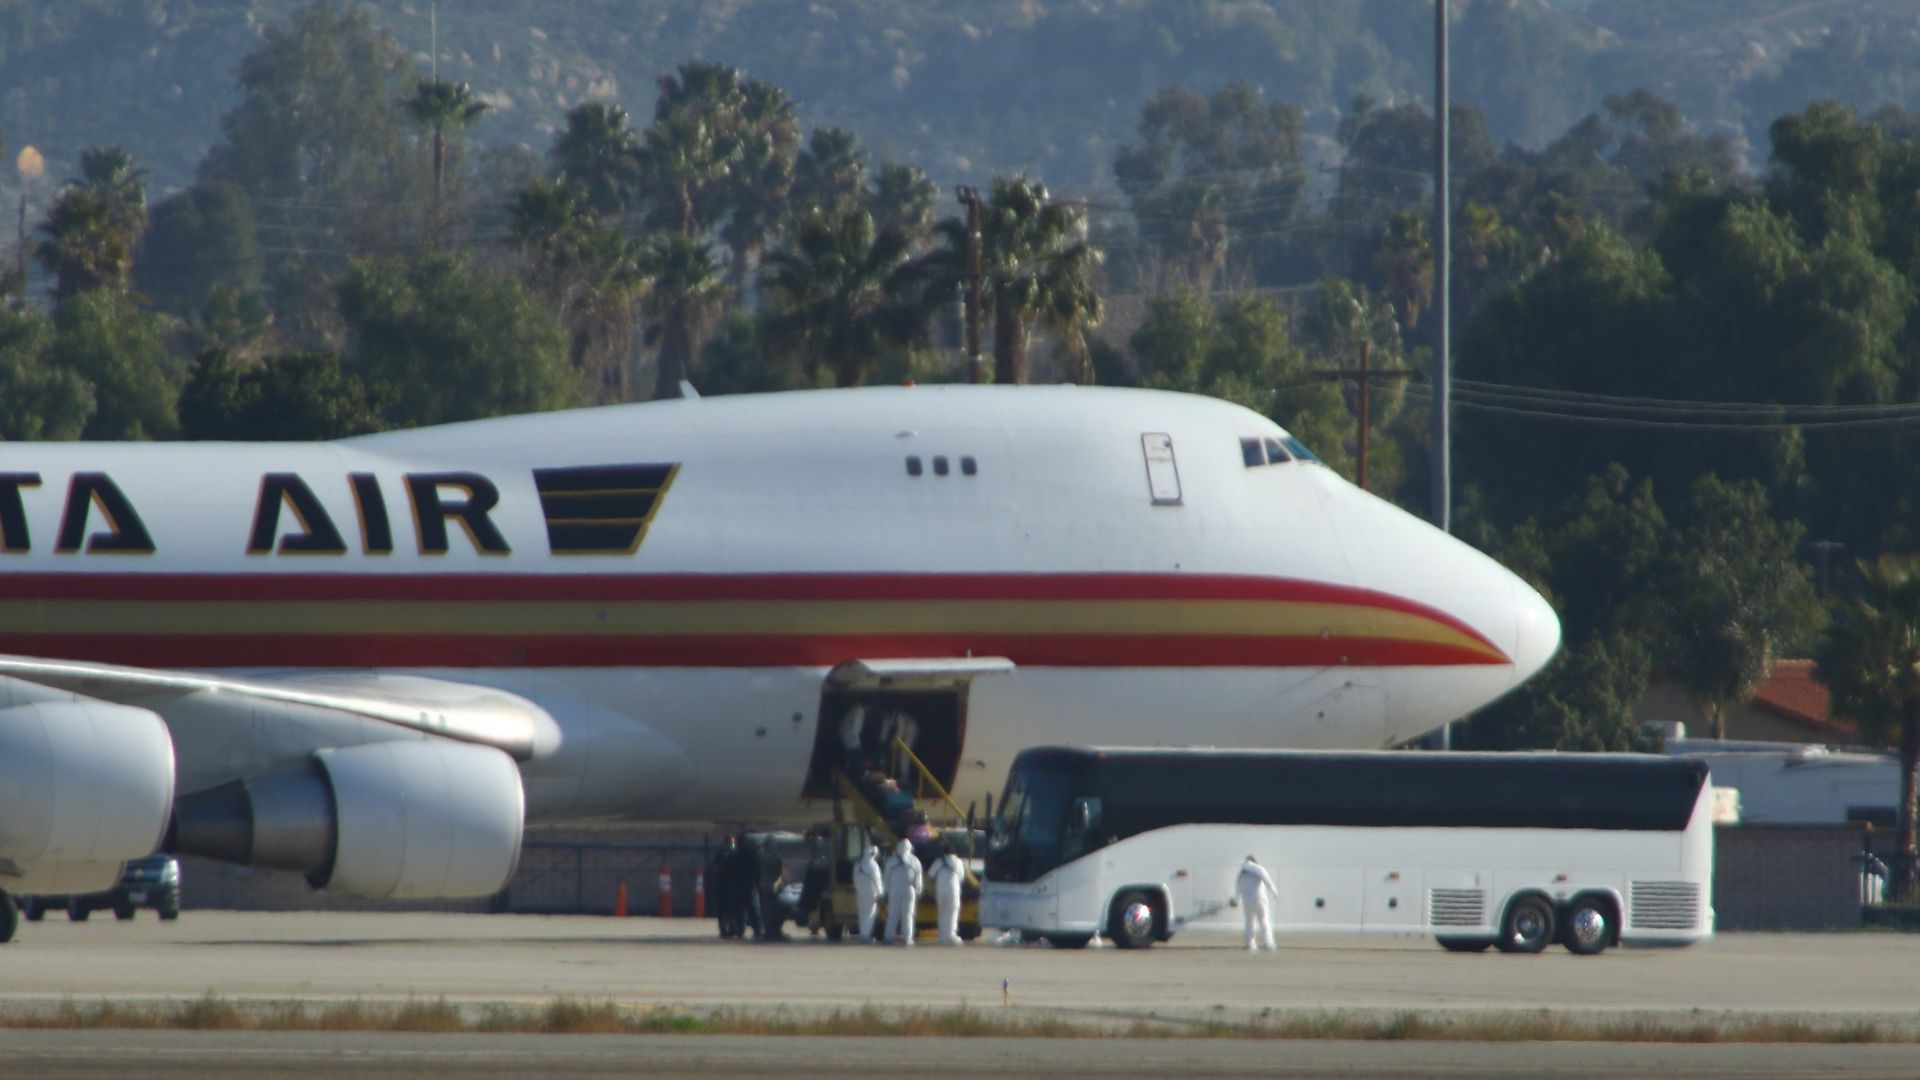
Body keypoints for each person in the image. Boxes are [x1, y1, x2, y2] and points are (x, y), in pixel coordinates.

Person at [884, 838, 923, 946]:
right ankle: (907, 938)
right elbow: (918, 878)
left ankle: (888, 937)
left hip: (894, 889)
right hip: (909, 889)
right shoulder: (915, 861)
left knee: (892, 914)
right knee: (908, 914)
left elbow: (886, 878)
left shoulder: (891, 861)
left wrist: (886, 892)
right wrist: (918, 890)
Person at [1237, 854, 1278, 951]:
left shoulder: (1241, 874)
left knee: (1249, 922)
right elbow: (1268, 881)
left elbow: (1237, 888)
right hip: (1259, 900)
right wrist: (1274, 892)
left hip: (1247, 901)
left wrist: (1236, 900)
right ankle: (1269, 943)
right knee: (1264, 920)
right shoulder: (1259, 870)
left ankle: (1250, 944)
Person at [929, 843, 967, 946]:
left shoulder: (939, 861)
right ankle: (951, 935)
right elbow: (961, 876)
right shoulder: (958, 862)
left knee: (942, 912)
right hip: (953, 890)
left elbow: (931, 874)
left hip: (940, 889)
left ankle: (943, 935)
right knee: (953, 912)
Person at [756, 836, 788, 942]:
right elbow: (781, 871)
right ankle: (775, 930)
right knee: (776, 909)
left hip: (763, 886)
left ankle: (768, 930)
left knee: (765, 909)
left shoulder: (760, 855)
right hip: (774, 886)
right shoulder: (776, 856)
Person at [854, 836, 885, 943]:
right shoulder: (873, 866)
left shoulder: (858, 864)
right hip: (871, 893)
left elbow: (855, 879)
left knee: (862, 914)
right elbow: (877, 880)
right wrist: (880, 893)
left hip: (860, 893)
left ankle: (863, 934)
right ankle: (866, 936)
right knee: (870, 915)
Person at [710, 835, 742, 939]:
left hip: (728, 886)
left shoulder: (730, 853)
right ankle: (727, 929)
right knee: (726, 910)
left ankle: (729, 929)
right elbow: (715, 868)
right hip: (726, 886)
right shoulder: (726, 853)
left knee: (728, 910)